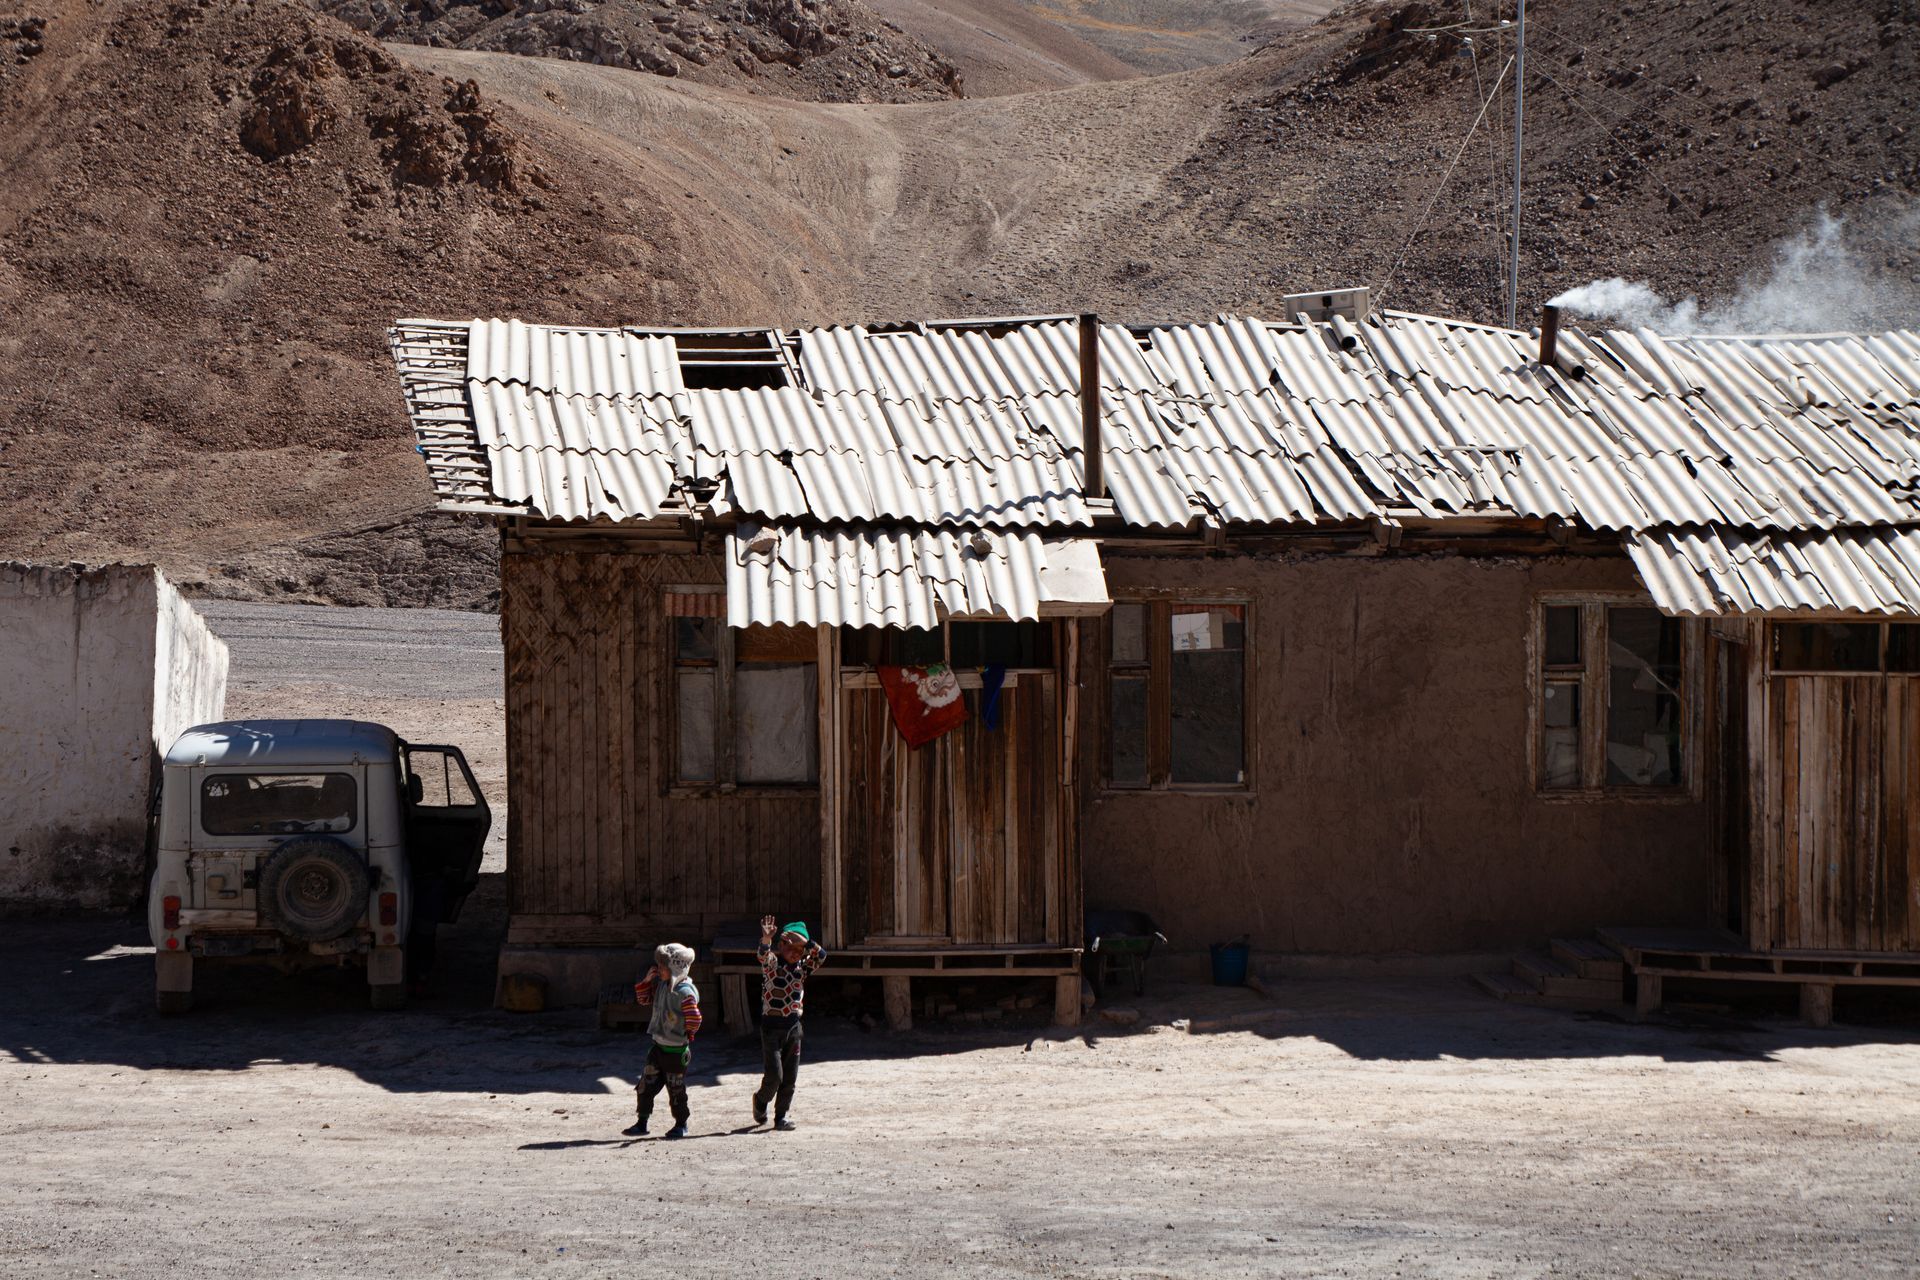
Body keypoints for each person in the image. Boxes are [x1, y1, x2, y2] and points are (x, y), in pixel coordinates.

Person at [753, 914, 825, 1131]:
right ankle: (760, 1100)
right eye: (790, 948)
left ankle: (781, 1117)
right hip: (771, 1029)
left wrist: (806, 943)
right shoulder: (772, 964)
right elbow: (762, 955)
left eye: (799, 950)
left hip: (793, 1029)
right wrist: (766, 938)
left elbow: (821, 955)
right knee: (775, 1075)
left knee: (790, 1077)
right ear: (781, 945)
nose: (794, 954)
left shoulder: (802, 968)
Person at [626, 943, 702, 1139]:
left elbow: (694, 1018)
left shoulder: (685, 992)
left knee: (675, 1089)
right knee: (645, 1086)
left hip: (676, 1052)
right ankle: (642, 1122)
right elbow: (644, 1000)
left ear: (675, 967)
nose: (659, 970)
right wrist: (647, 981)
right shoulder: (661, 986)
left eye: (662, 967)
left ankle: (681, 1124)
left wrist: (687, 1035)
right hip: (657, 1047)